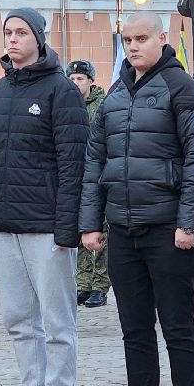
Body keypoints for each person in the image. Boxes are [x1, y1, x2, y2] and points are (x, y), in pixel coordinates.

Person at [81, 14, 194, 386]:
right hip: (122, 229)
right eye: (127, 40)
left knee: (178, 327)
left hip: (168, 230)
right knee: (134, 329)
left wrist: (188, 223)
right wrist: (91, 224)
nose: (134, 47)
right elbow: (95, 162)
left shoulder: (183, 90)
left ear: (162, 39)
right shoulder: (117, 94)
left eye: (142, 39)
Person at [0, 8, 87, 386]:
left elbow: (73, 163)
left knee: (57, 321)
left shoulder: (62, 91)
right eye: (8, 33)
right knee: (19, 319)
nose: (13, 39)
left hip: (47, 227)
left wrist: (68, 228)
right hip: (6, 224)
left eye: (21, 32)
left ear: (39, 38)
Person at [68, 58, 110, 309]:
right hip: (77, 177)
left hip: (100, 178)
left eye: (80, 79)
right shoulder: (67, 103)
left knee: (100, 233)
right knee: (79, 233)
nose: (75, 83)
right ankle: (82, 284)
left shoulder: (103, 106)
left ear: (91, 81)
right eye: (71, 79)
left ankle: (100, 286)